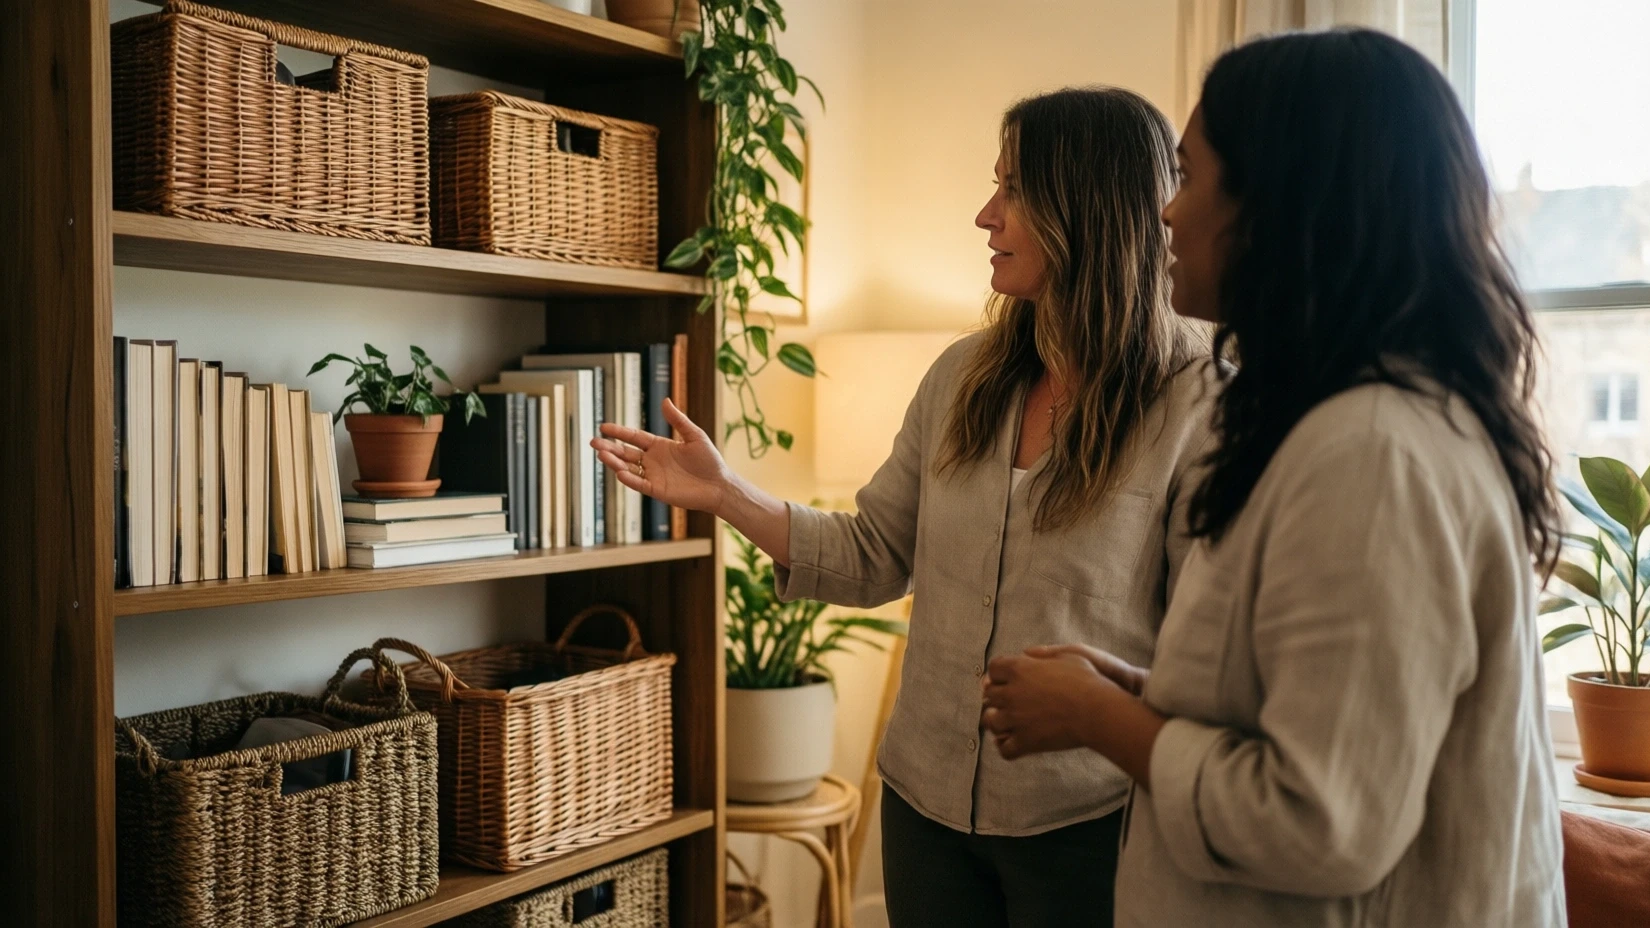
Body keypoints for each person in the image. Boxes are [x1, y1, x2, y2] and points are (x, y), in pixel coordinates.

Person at [979, 29, 1567, 927]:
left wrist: (1102, 719)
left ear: (1285, 204)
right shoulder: (1316, 423)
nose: (1166, 215)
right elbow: (1310, 705)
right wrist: (1143, 691)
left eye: (1188, 177)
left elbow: (1318, 818)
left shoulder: (1374, 457)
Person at [593, 87, 1216, 926]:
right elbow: (874, 554)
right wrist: (723, 493)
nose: (984, 216)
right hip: (924, 816)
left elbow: (1203, 652)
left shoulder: (1198, 404)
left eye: (1013, 190)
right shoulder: (961, 377)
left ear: (1088, 207)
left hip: (1089, 828)